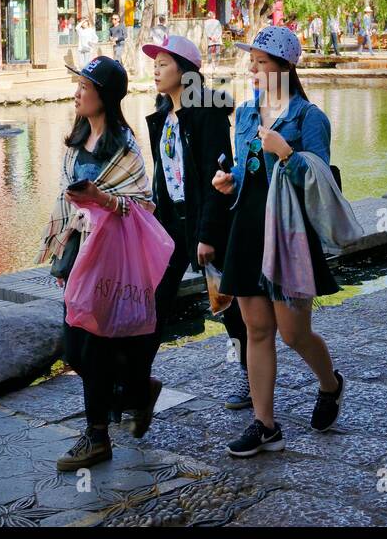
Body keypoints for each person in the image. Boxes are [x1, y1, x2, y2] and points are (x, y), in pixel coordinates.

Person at [211, 25, 345, 457]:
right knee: (257, 329)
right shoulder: (247, 113)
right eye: (251, 60)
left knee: (293, 332)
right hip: (248, 227)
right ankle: (265, 425)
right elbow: (244, 167)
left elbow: (321, 183)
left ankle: (330, 383)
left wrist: (287, 153)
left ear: (285, 67)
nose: (252, 67)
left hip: (290, 234)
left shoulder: (310, 118)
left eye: (261, 61)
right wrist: (229, 180)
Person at [36, 56, 161, 471]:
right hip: (78, 252)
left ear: (103, 96)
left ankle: (97, 436)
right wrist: (61, 250)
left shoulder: (125, 147)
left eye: (84, 87)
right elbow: (63, 196)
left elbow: (144, 203)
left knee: (95, 344)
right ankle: (137, 393)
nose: (77, 93)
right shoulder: (75, 140)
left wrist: (103, 199)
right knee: (76, 346)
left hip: (110, 258)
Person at [143, 34, 248, 409]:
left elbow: (216, 180)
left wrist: (207, 235)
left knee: (227, 306)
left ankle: (250, 375)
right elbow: (164, 175)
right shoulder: (162, 115)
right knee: (155, 300)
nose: (156, 70)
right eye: (154, 65)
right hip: (172, 226)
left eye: (164, 64)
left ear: (185, 71)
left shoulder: (207, 113)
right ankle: (137, 383)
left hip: (206, 224)